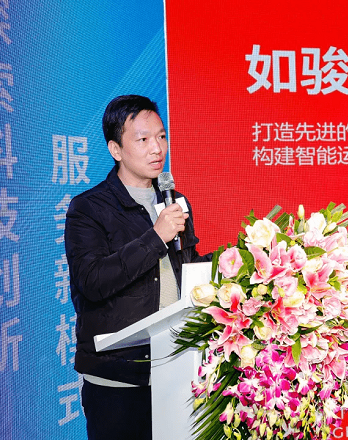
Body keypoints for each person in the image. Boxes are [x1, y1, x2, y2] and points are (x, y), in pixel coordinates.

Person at [64, 95, 211, 439]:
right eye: (143, 139)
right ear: (116, 149)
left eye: (161, 136)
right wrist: (156, 236)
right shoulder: (88, 208)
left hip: (176, 368)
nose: (157, 148)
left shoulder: (175, 201)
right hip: (119, 380)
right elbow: (93, 282)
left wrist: (236, 259)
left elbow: (185, 270)